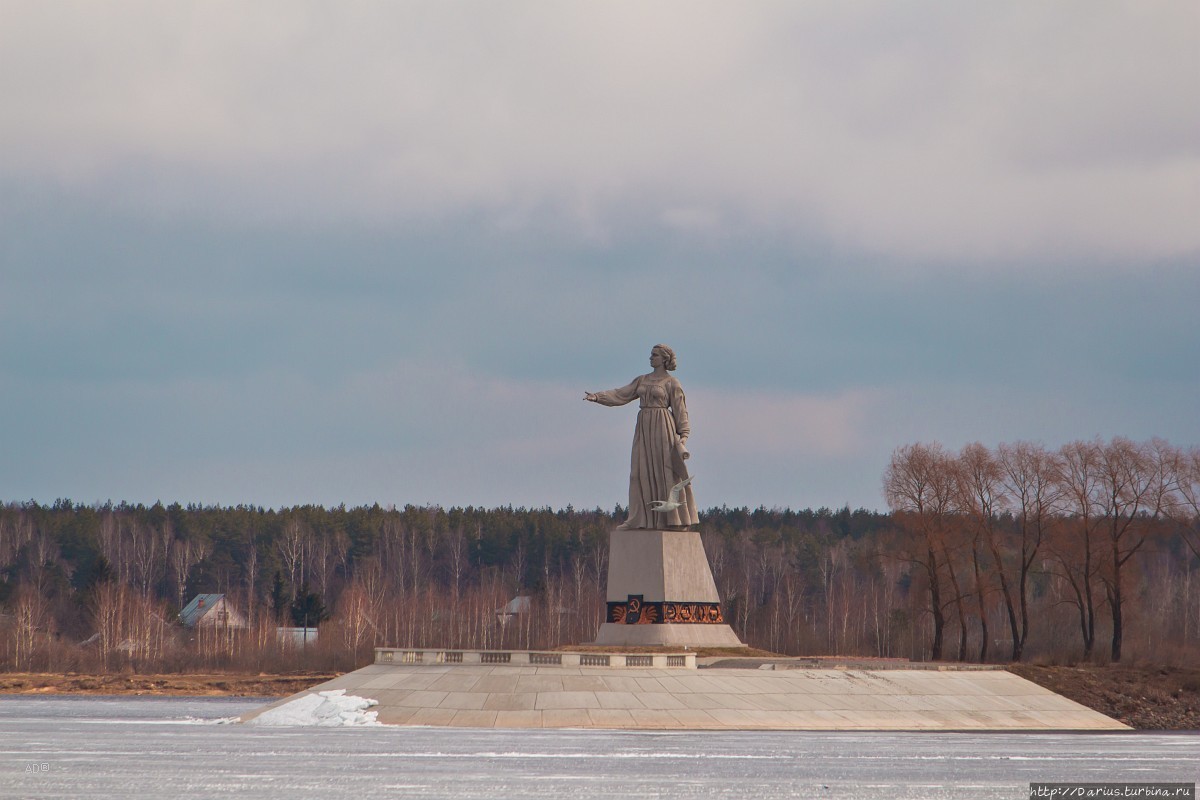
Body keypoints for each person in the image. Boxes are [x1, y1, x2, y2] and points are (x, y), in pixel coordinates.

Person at [584, 344, 698, 530]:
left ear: (664, 359)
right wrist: (598, 397)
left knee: (665, 473)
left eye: (654, 355)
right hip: (644, 428)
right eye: (651, 355)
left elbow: (680, 410)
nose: (651, 358)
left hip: (663, 428)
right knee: (639, 473)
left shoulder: (672, 383)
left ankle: (672, 520)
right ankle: (639, 519)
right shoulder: (642, 380)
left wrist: (683, 437)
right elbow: (621, 394)